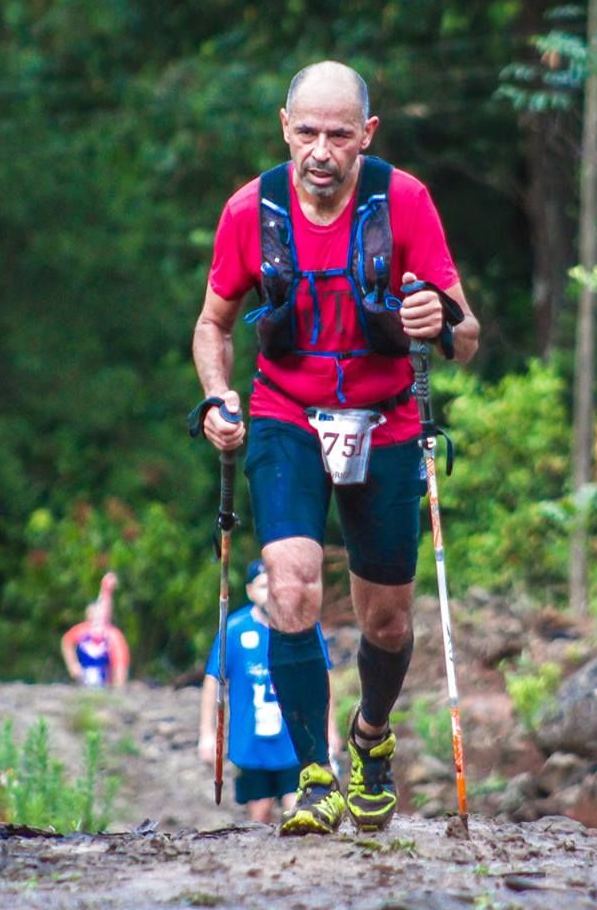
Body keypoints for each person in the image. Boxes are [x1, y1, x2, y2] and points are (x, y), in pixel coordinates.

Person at [191, 60, 480, 836]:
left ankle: (370, 740)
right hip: (285, 411)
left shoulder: (404, 202)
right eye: (308, 132)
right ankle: (314, 775)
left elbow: (468, 332)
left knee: (385, 620)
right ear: (285, 125)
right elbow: (214, 324)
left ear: (367, 136)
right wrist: (219, 396)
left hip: (385, 418)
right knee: (291, 587)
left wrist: (437, 325)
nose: (321, 151)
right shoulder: (250, 210)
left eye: (339, 135)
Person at [198, 559, 340, 823]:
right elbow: (213, 680)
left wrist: (330, 731)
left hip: (295, 742)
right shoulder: (235, 630)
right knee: (259, 814)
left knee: (299, 808)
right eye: (263, 586)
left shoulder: (303, 629)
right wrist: (207, 735)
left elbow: (322, 679)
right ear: (251, 591)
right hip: (251, 744)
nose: (270, 593)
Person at [61, 571, 130, 687]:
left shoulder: (113, 636)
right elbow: (66, 641)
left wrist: (119, 686)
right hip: (84, 682)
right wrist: (72, 665)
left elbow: (121, 663)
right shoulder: (82, 631)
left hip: (106, 684)